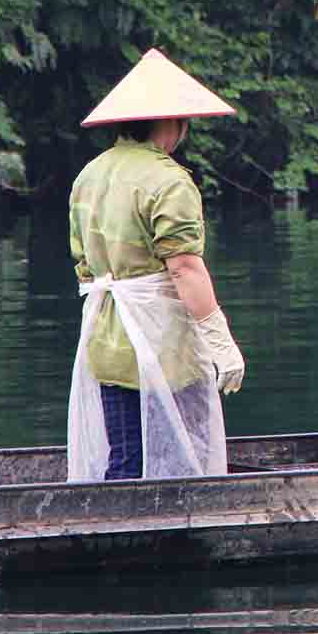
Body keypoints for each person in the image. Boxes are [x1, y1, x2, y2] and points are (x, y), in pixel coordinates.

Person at [66, 49, 246, 482]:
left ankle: (113, 529)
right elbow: (184, 266)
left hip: (107, 338)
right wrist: (220, 340)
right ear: (170, 121)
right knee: (184, 452)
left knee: (126, 456)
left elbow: (85, 270)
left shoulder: (88, 176)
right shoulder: (167, 180)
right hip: (164, 343)